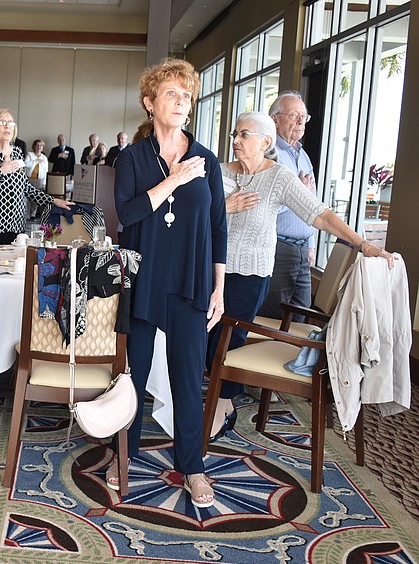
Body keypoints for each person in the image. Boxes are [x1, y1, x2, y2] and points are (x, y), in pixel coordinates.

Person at [205, 111, 396, 440]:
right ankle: (214, 398)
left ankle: (221, 404)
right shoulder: (219, 173)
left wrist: (363, 244)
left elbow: (319, 215)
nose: (235, 140)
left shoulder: (278, 178)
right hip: (210, 271)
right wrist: (224, 207)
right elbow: (193, 219)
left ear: (265, 142)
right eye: (234, 134)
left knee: (227, 340)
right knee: (204, 340)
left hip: (249, 276)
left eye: (244, 134)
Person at [114, 58, 226, 508]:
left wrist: (218, 287)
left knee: (186, 375)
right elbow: (129, 214)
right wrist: (174, 180)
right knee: (134, 372)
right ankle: (124, 453)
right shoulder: (132, 158)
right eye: (171, 95)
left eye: (187, 96)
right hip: (144, 276)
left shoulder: (208, 160)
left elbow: (218, 226)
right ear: (150, 103)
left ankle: (192, 466)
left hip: (191, 280)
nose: (181, 102)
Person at [257, 91, 319, 321]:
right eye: (294, 115)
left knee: (300, 316)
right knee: (274, 316)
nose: (300, 121)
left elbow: (311, 204)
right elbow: (261, 204)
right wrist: (298, 194)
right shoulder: (268, 156)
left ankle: (293, 358)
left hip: (302, 251)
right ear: (275, 119)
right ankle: (259, 357)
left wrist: (310, 243)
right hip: (278, 248)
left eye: (304, 116)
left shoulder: (303, 156)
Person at [0, 109, 72, 244]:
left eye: (11, 123)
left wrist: (53, 200)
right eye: (2, 122)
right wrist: (0, 172)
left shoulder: (18, 153)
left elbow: (25, 187)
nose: (8, 126)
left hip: (18, 224)